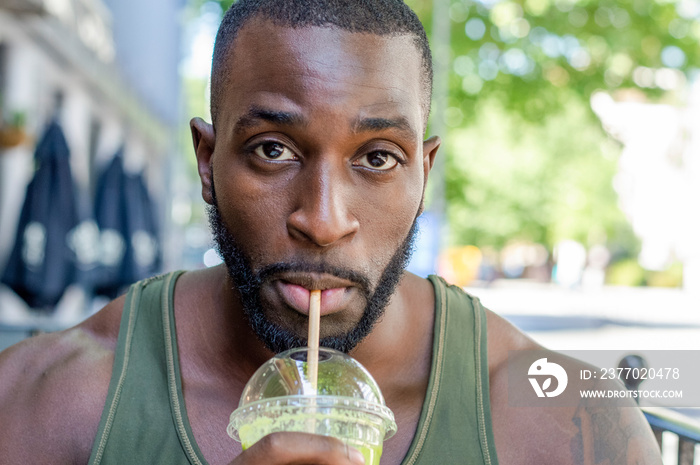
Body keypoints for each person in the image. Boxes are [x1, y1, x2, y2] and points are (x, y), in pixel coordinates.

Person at [0, 1, 662, 464]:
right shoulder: (42, 402)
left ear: (422, 173)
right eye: (272, 150)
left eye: (377, 157)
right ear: (208, 162)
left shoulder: (570, 427)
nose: (322, 219)